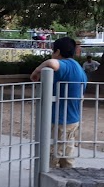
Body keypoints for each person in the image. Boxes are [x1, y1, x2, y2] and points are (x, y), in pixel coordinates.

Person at [30, 37, 88, 169]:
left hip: (60, 120)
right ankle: (66, 183)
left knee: (51, 156)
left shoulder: (65, 65)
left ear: (57, 52)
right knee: (67, 155)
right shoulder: (78, 67)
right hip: (72, 119)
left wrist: (36, 71)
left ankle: (45, 185)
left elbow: (52, 63)